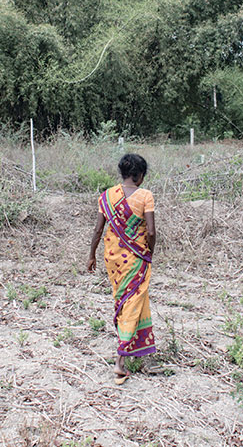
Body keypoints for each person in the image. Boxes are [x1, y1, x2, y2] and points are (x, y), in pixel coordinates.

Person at [87, 153, 157, 384]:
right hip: (136, 257)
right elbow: (151, 231)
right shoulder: (145, 195)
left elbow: (98, 230)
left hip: (113, 258)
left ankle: (145, 355)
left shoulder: (106, 196)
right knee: (132, 302)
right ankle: (120, 360)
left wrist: (91, 256)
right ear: (140, 175)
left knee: (130, 299)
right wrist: (149, 252)